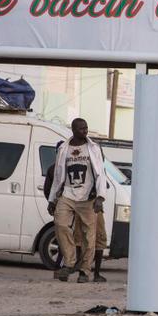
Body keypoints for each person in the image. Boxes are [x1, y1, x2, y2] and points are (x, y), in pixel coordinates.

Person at [46, 118, 109, 283]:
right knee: (60, 224)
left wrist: (100, 197)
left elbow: (100, 174)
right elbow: (58, 176)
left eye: (86, 128)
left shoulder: (93, 148)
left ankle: (85, 271)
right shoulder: (64, 148)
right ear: (73, 130)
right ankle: (69, 262)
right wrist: (52, 199)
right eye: (81, 128)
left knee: (90, 236)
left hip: (88, 197)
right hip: (68, 194)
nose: (85, 131)